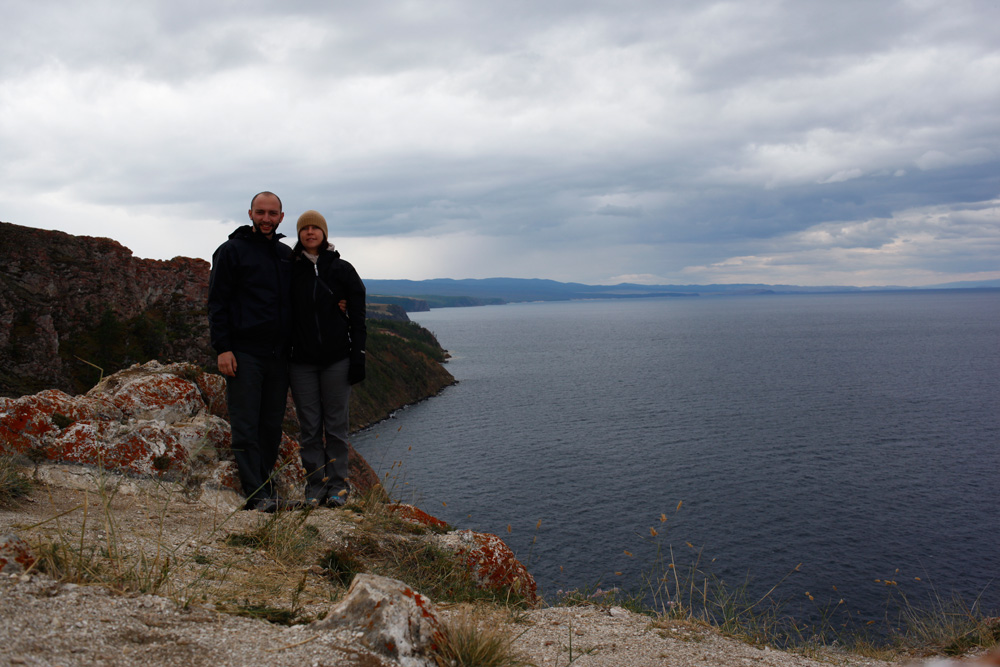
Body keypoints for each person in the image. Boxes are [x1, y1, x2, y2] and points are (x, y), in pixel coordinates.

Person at [207, 191, 293, 512]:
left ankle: (266, 489)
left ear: (281, 217)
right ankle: (256, 495)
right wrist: (223, 348)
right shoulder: (231, 251)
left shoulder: (285, 255)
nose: (266, 219)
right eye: (261, 212)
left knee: (270, 426)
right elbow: (217, 302)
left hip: (279, 356)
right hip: (244, 353)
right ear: (250, 214)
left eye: (272, 213)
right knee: (246, 425)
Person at [288, 210, 367, 508]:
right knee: (309, 428)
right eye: (305, 228)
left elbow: (358, 317)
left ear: (324, 233)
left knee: (335, 427)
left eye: (315, 228)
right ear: (299, 234)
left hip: (337, 359)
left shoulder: (342, 269)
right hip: (301, 361)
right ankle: (315, 486)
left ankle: (338, 487)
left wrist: (358, 356)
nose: (310, 233)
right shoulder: (289, 269)